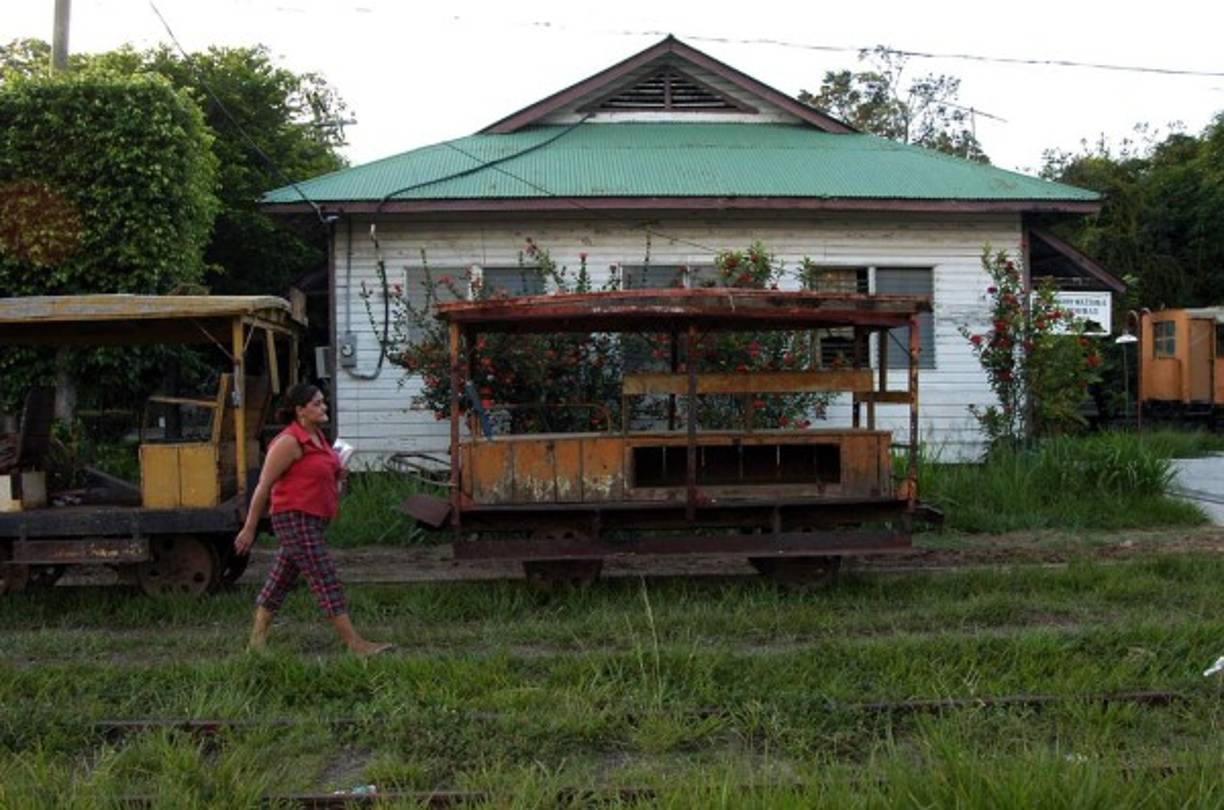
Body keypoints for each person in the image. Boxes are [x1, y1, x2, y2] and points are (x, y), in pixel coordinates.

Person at [235, 383, 390, 655]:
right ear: (300, 410)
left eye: (323, 402)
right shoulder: (289, 442)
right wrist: (249, 528)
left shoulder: (318, 438)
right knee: (324, 576)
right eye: (317, 404)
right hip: (294, 518)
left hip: (314, 520)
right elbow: (263, 486)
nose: (324, 407)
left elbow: (320, 477)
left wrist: (338, 475)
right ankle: (356, 644)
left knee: (281, 579)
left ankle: (256, 643)